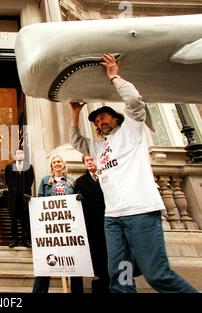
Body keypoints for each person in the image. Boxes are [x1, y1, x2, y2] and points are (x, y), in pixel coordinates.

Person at [69, 53, 198, 293]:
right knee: (120, 278)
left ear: (116, 117)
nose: (100, 121)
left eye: (103, 115)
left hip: (140, 213)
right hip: (113, 218)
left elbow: (135, 101)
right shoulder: (100, 146)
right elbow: (76, 141)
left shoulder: (132, 130)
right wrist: (76, 113)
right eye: (96, 120)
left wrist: (114, 76)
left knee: (158, 275)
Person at [32, 155, 81, 293]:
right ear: (51, 166)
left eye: (59, 161)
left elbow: (77, 199)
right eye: (54, 162)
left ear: (63, 164)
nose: (57, 164)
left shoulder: (71, 181)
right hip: (51, 227)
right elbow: (40, 199)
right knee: (45, 260)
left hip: (69, 227)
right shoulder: (45, 181)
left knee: (75, 261)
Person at [73, 155, 110, 294]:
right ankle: (100, 279)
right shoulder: (80, 181)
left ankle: (109, 280)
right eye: (86, 160)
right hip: (91, 225)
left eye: (91, 159)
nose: (89, 162)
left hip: (109, 221)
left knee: (109, 252)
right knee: (96, 253)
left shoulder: (107, 176)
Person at [4, 149, 35, 248]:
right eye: (18, 153)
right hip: (13, 198)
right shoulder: (9, 167)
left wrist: (26, 192)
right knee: (13, 220)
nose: (20, 155)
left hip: (25, 198)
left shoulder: (29, 167)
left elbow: (30, 181)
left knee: (25, 219)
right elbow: (7, 181)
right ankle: (14, 240)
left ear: (24, 155)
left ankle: (26, 240)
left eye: (22, 153)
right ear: (15, 156)